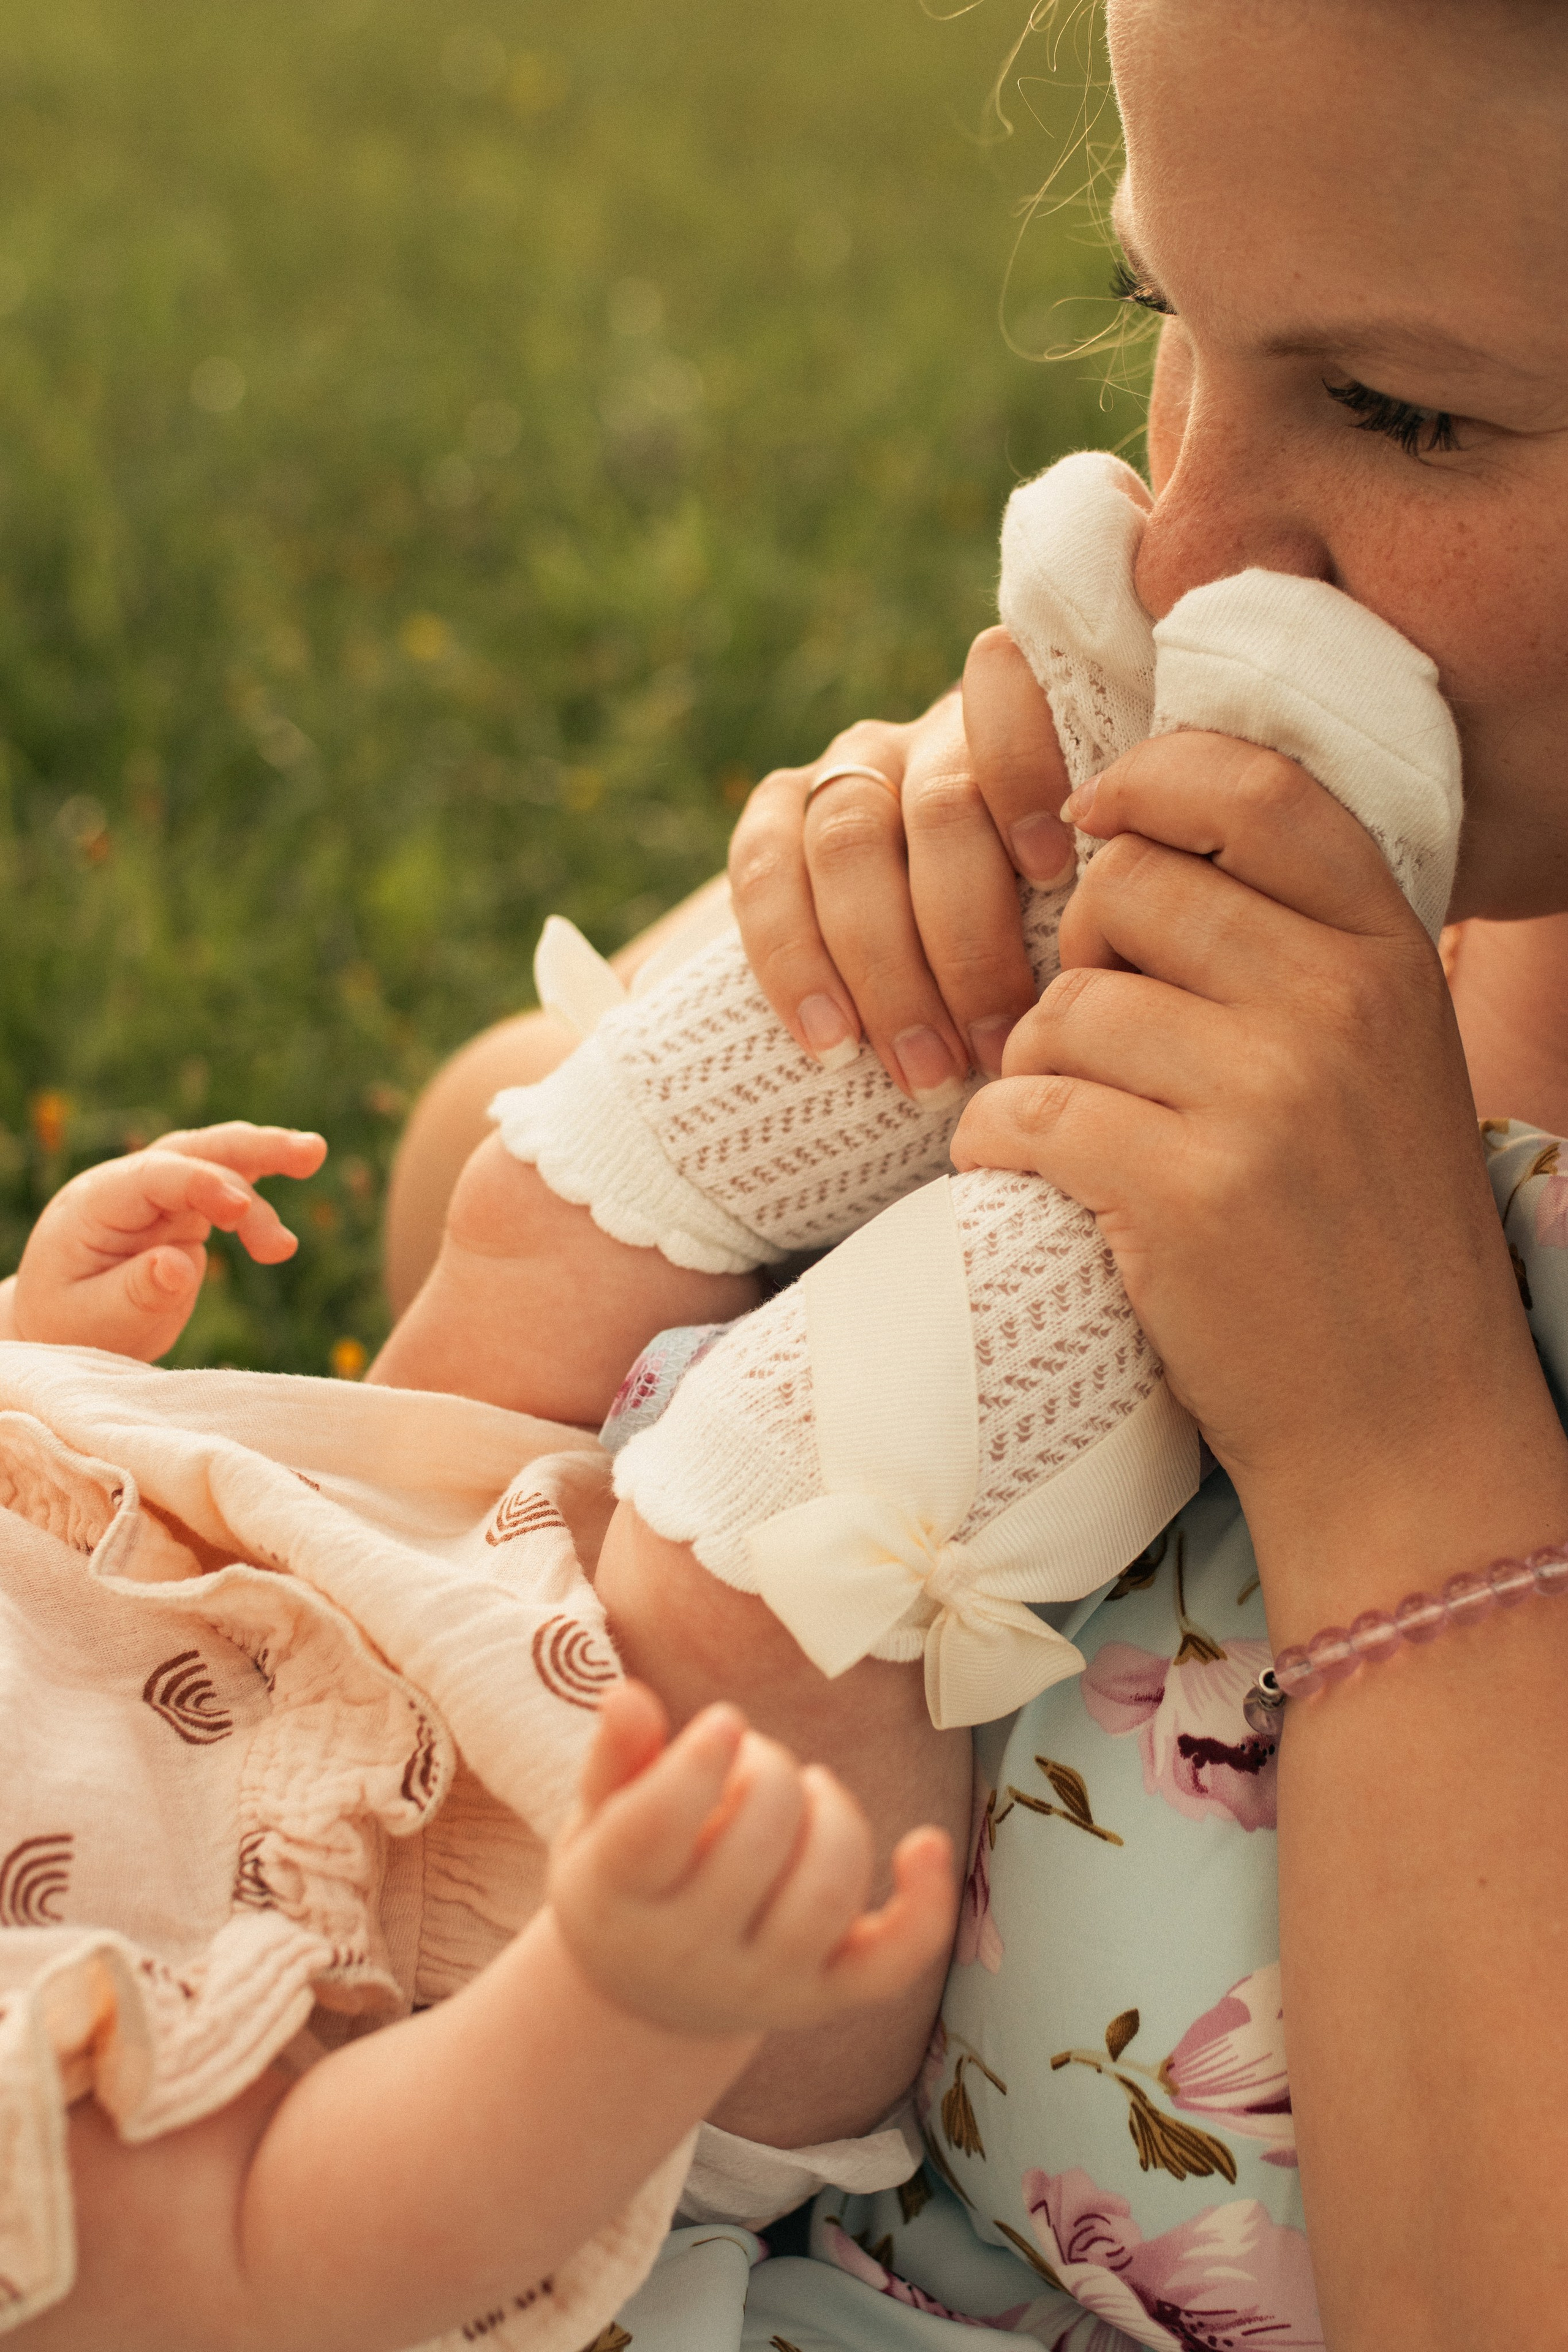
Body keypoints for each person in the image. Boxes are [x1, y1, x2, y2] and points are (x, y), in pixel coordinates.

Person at [385, 2, 1568, 2344]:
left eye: (1407, 408)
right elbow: (472, 1181)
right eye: (1168, 323)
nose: (1189, 535)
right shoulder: (1410, 889)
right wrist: (825, 993)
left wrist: (1403, 1452)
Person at [0, 1123, 957, 2351]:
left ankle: (959, 988)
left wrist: (39, 1332)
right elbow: (281, 2253)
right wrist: (625, 1998)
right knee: (762, 1520)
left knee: (540, 1222)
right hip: (565, 1987)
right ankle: (1119, 1196)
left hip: (364, 1576)